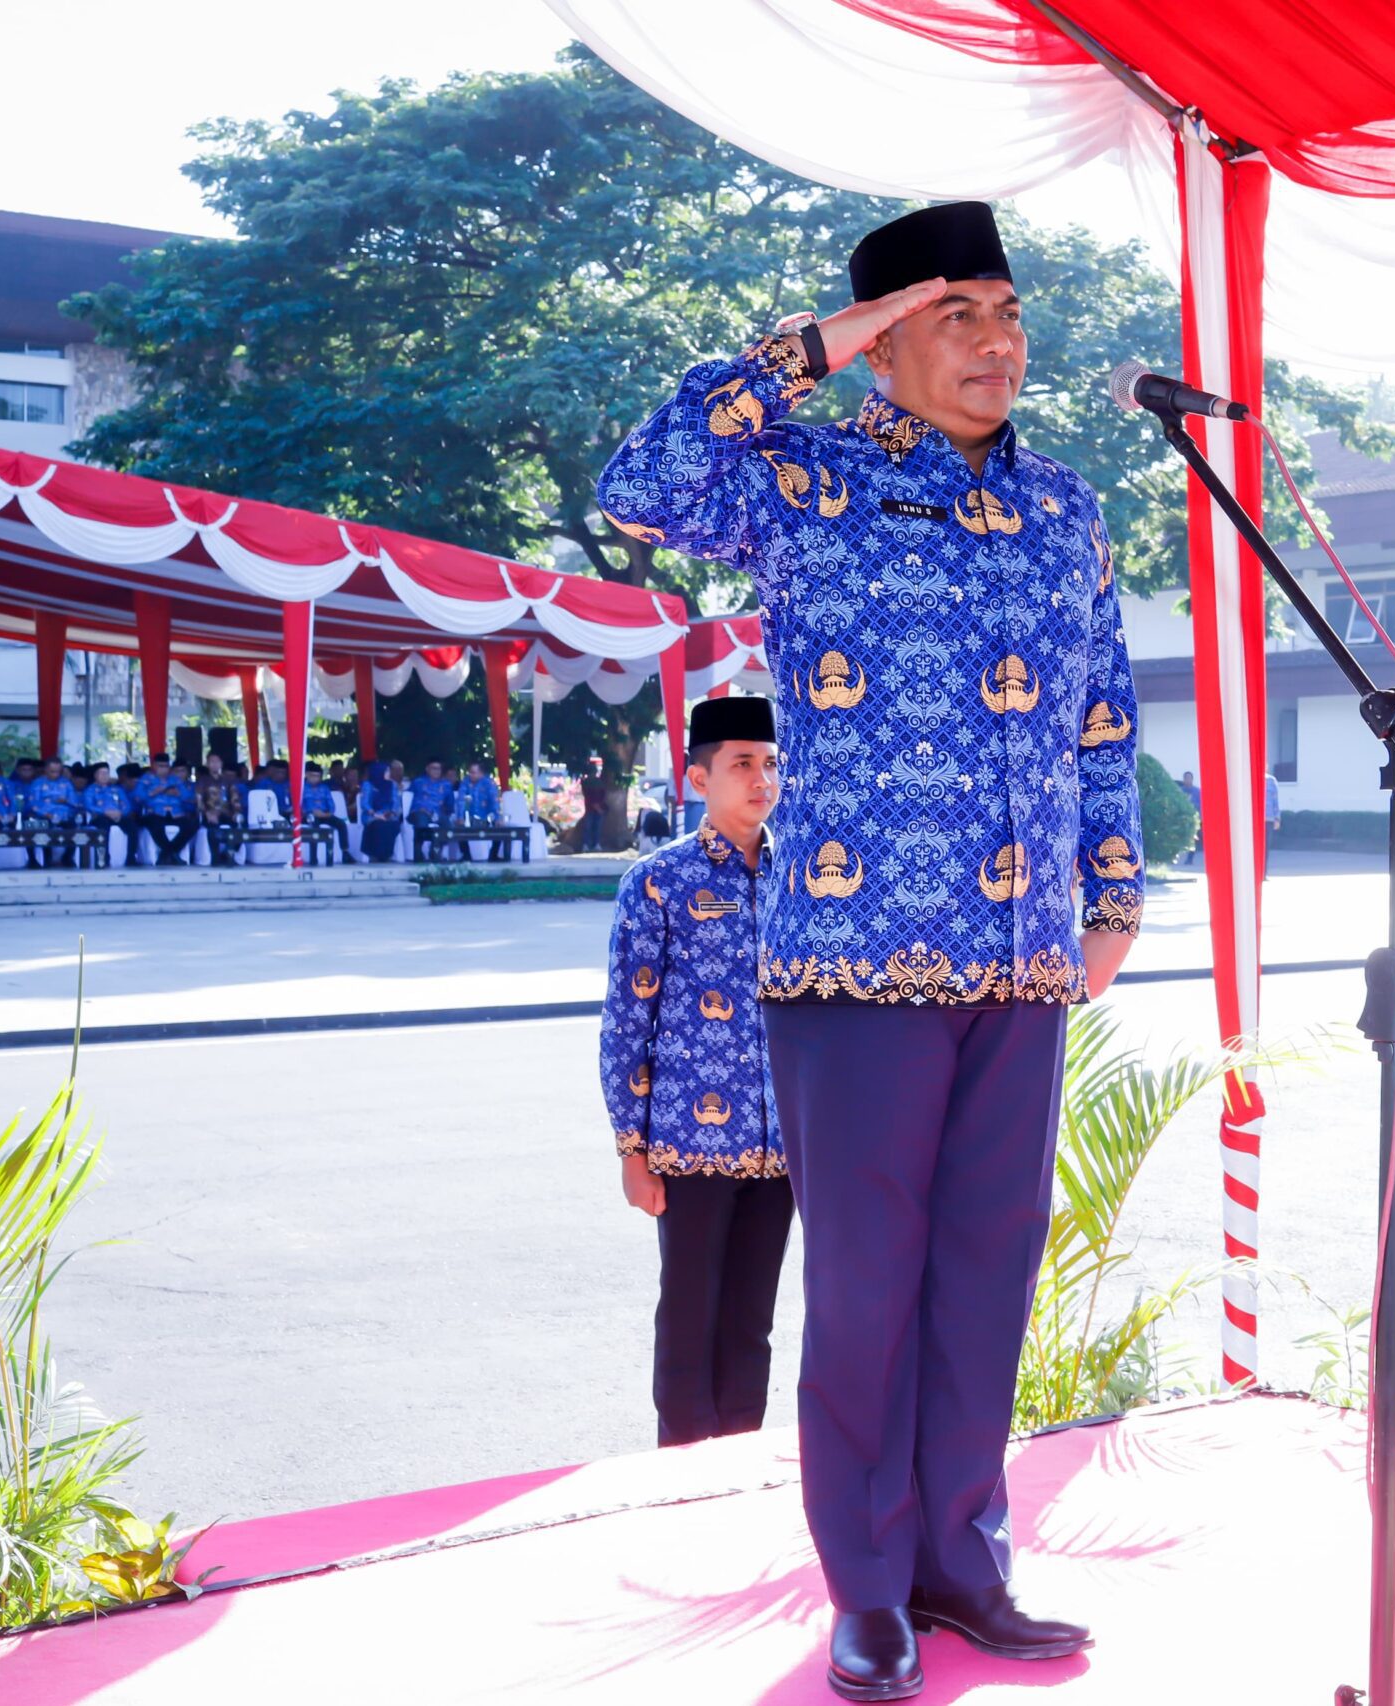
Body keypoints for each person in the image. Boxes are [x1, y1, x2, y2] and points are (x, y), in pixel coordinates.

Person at [599, 199, 1139, 1700]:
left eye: (1009, 314)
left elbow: (1104, 713)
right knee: (865, 1283)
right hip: (851, 952)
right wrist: (818, 344)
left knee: (985, 1274)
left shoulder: (1069, 510)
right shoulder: (801, 479)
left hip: (1024, 950)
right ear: (886, 341)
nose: (996, 342)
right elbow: (640, 476)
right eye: (958, 315)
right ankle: (870, 1587)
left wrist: (1115, 892)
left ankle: (967, 1562)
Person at [600, 697, 790, 1450]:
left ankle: (739, 1470)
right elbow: (627, 1024)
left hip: (781, 1151)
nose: (761, 779)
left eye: (770, 763)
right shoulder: (657, 884)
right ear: (699, 778)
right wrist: (630, 1147)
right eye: (742, 763)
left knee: (753, 1326)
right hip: (688, 1145)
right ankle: (680, 1479)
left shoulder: (806, 879)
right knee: (688, 1317)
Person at [134, 755, 200, 866]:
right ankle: (172, 854)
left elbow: (189, 797)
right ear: (154, 766)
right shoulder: (146, 779)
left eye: (166, 766)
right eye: (161, 766)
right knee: (154, 824)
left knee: (193, 824)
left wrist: (179, 794)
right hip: (155, 812)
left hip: (176, 813)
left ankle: (166, 854)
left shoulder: (175, 780)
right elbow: (137, 797)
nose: (164, 769)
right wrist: (153, 792)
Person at [25, 757, 82, 868]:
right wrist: (47, 814)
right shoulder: (38, 783)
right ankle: (47, 859)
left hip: (64, 816)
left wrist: (66, 801)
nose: (55, 774)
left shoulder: (66, 783)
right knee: (42, 828)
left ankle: (68, 857)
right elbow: (33, 803)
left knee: (75, 828)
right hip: (44, 815)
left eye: (58, 771)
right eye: (52, 771)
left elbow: (75, 803)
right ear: (45, 770)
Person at [299, 762, 349, 860]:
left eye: (318, 776)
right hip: (308, 816)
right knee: (314, 827)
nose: (315, 779)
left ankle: (345, 853)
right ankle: (313, 856)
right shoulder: (301, 788)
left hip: (325, 814)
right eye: (313, 776)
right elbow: (298, 805)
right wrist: (311, 812)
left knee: (341, 824)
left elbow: (331, 803)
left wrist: (328, 813)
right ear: (306, 774)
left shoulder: (324, 788)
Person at [359, 763, 405, 862]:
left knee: (393, 825)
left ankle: (386, 854)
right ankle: (375, 854)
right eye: (387, 771)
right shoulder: (368, 785)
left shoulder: (392, 785)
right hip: (371, 815)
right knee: (379, 825)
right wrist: (376, 815)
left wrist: (392, 812)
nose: (389, 773)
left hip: (388, 814)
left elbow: (396, 801)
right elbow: (365, 803)